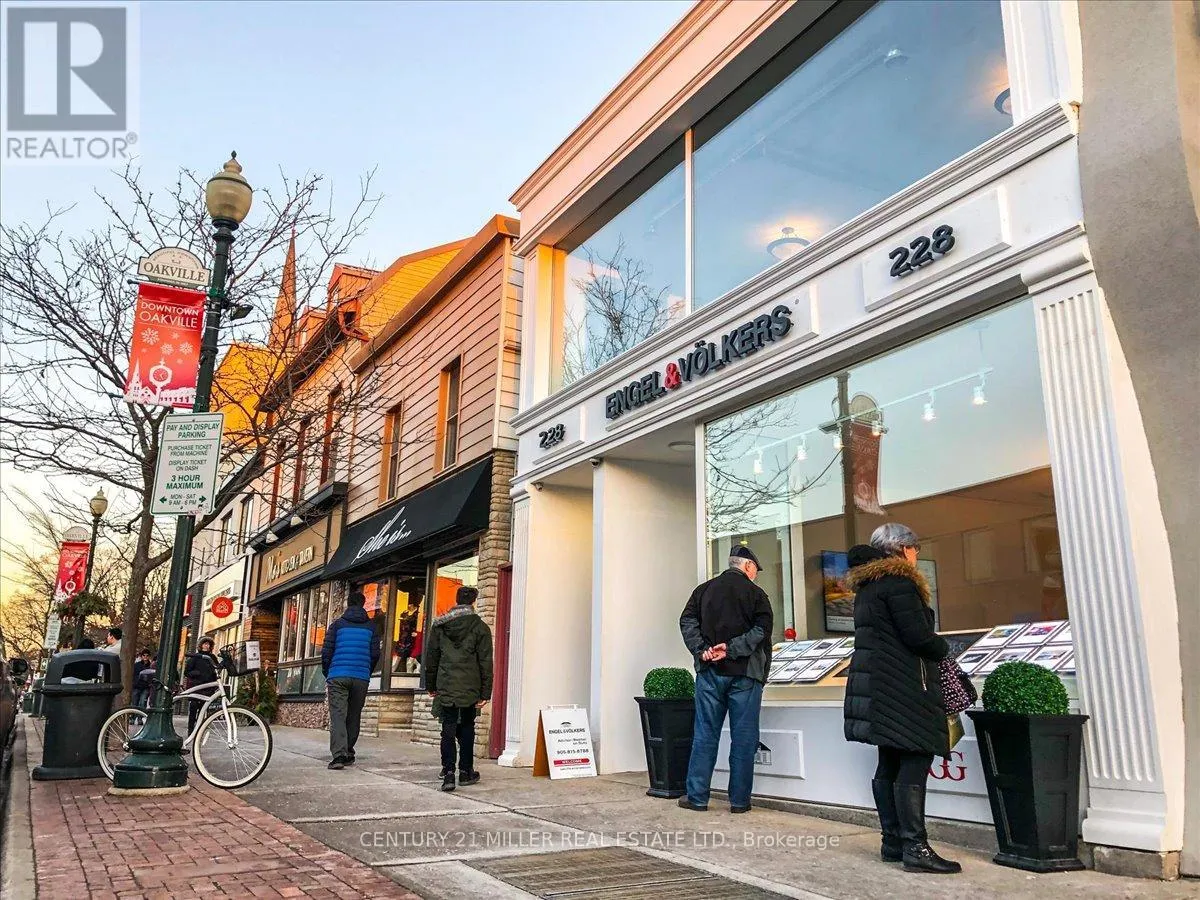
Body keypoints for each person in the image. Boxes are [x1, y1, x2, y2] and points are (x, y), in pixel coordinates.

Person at [842, 523, 960, 875]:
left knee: (890, 759)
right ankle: (916, 846)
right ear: (903, 549)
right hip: (906, 686)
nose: (916, 555)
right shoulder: (900, 583)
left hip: (881, 687)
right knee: (915, 756)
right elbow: (918, 636)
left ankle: (892, 842)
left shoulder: (868, 587)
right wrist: (944, 648)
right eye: (915, 548)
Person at [677, 545, 773, 814]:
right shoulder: (757, 595)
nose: (755, 575)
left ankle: (697, 797)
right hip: (746, 675)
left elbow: (687, 621)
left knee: (705, 735)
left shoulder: (703, 591)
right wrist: (731, 649)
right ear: (748, 566)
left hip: (710, 673)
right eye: (755, 570)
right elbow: (762, 632)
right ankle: (739, 801)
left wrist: (702, 650)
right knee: (744, 738)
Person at [425, 586, 492, 792]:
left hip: (446, 683)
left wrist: (431, 685)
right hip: (470, 685)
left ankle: (448, 773)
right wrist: (485, 692)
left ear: (456, 600)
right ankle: (465, 771)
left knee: (448, 727)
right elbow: (485, 662)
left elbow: (432, 658)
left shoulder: (440, 626)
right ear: (473, 602)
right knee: (467, 727)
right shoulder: (480, 627)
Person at [321, 591, 381, 770]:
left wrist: (327, 671)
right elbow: (375, 654)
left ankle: (339, 755)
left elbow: (327, 651)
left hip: (338, 675)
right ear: (363, 604)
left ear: (348, 604)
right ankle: (348, 751)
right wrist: (366, 671)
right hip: (361, 677)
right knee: (354, 715)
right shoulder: (372, 627)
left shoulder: (337, 625)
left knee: (338, 715)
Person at [183, 637, 221, 734]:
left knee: (203, 709)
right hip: (196, 686)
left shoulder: (212, 657)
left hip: (208, 687)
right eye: (205, 644)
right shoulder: (195, 657)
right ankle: (190, 730)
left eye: (208, 644)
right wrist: (195, 674)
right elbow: (187, 672)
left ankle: (199, 730)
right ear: (201, 645)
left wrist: (215, 679)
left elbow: (217, 668)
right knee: (193, 708)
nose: (206, 646)